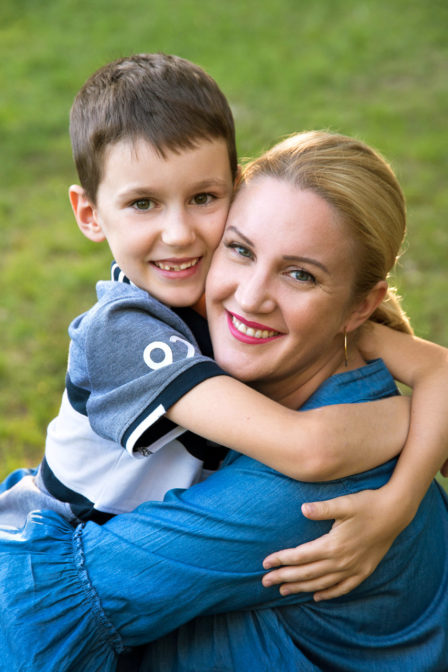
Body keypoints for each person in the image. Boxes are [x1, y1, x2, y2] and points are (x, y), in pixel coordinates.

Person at [1, 131, 448, 671]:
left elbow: (38, 613)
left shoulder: (319, 497)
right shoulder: (243, 361)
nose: (251, 296)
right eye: (240, 249)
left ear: (360, 307)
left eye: (300, 274)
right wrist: (407, 415)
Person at [0, 53, 411, 527]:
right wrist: (421, 420)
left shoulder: (238, 303)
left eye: (202, 198)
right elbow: (308, 448)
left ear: (236, 190)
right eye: (143, 203)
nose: (178, 233)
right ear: (90, 214)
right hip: (42, 551)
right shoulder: (119, 332)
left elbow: (437, 368)